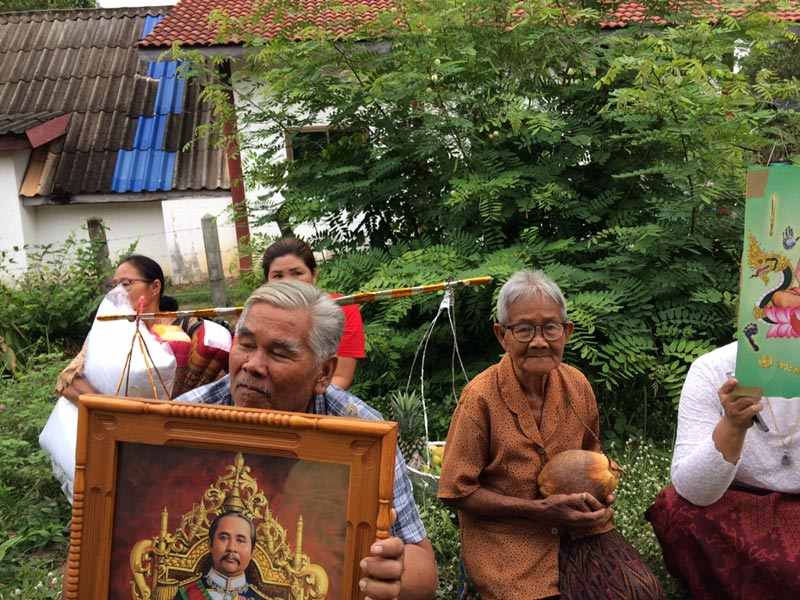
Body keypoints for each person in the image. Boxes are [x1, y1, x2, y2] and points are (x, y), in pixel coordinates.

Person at [175, 280, 438, 600]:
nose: (253, 365)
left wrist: (393, 572)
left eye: (278, 353)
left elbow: (424, 569)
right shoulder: (183, 421)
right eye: (245, 344)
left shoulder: (361, 438)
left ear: (324, 373)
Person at [437, 269, 663, 600]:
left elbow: (591, 460)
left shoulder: (577, 386)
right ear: (503, 335)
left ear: (567, 332)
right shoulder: (480, 397)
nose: (540, 341)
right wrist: (539, 510)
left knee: (642, 592)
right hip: (507, 539)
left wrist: (599, 499)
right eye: (524, 329)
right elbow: (456, 493)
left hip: (577, 529)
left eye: (550, 328)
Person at [645, 341, 800, 599]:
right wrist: (732, 426)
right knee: (676, 512)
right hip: (739, 507)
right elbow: (692, 489)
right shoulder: (714, 369)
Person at [55, 254, 230, 402]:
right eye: (114, 286)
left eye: (125, 284)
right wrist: (115, 411)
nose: (117, 293)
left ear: (155, 287)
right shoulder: (110, 328)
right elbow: (68, 381)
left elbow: (218, 388)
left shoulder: (188, 329)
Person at [261, 237, 364, 389]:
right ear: (267, 281)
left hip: (318, 401)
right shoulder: (257, 314)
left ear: (314, 275)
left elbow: (340, 378)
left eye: (297, 273)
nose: (289, 282)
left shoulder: (342, 310)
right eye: (278, 276)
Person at [174, 511, 268, 600]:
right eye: (224, 538)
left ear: (252, 552)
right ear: (210, 544)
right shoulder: (186, 594)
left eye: (240, 540)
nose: (231, 548)